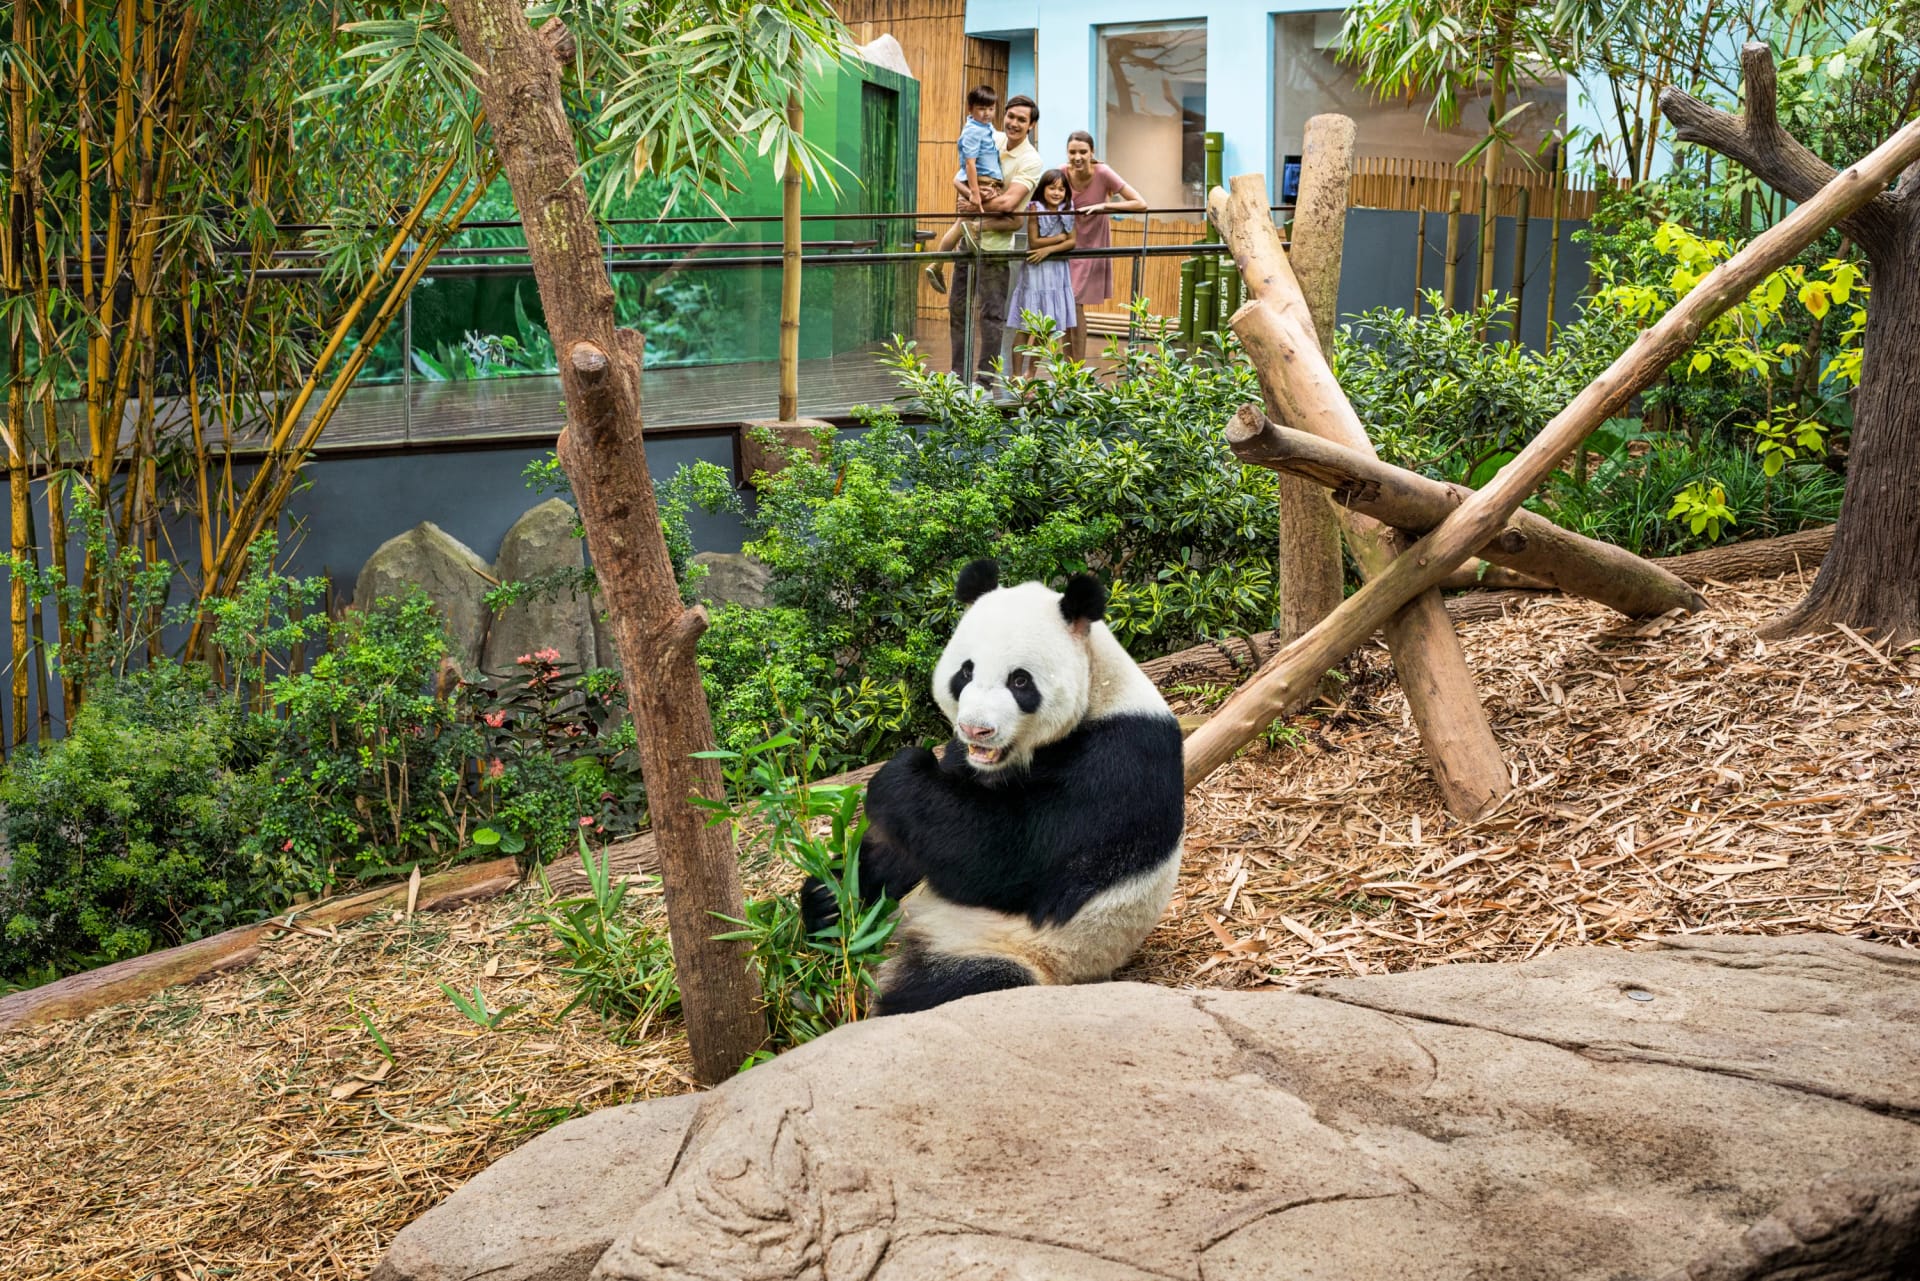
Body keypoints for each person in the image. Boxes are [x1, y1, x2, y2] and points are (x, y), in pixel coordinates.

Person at [949, 95, 1042, 388]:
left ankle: (985, 381)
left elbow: (1009, 204)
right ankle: (957, 376)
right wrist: (972, 195)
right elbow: (962, 175)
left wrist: (971, 204)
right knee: (958, 308)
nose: (1014, 123)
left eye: (1021, 120)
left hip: (996, 248)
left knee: (991, 315)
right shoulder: (991, 137)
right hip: (968, 240)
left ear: (1031, 125)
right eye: (1011, 116)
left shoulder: (1031, 160)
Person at [1061, 130, 1147, 361]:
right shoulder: (1061, 173)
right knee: (1066, 306)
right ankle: (1067, 366)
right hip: (1066, 244)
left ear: (1092, 153)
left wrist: (1104, 206)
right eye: (1072, 152)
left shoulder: (1103, 173)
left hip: (1092, 245)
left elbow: (1140, 203)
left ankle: (1077, 366)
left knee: (1074, 302)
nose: (1077, 157)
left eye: (1083, 152)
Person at [924, 85, 1003, 296]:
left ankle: (937, 264)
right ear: (970, 109)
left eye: (991, 108)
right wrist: (974, 193)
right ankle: (937, 264)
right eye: (981, 109)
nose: (987, 113)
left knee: (960, 225)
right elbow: (970, 163)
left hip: (981, 182)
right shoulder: (973, 131)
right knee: (964, 225)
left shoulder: (984, 128)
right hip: (981, 183)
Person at [1006, 169, 1077, 377]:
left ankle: (1031, 373)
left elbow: (1072, 241)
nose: (1057, 193)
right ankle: (1016, 375)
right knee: (1026, 325)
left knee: (1047, 326)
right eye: (1052, 188)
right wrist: (1058, 239)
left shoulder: (1068, 209)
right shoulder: (1035, 208)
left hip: (1057, 271)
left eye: (1061, 189)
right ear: (1043, 189)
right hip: (1036, 271)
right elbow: (1034, 241)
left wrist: (1049, 249)